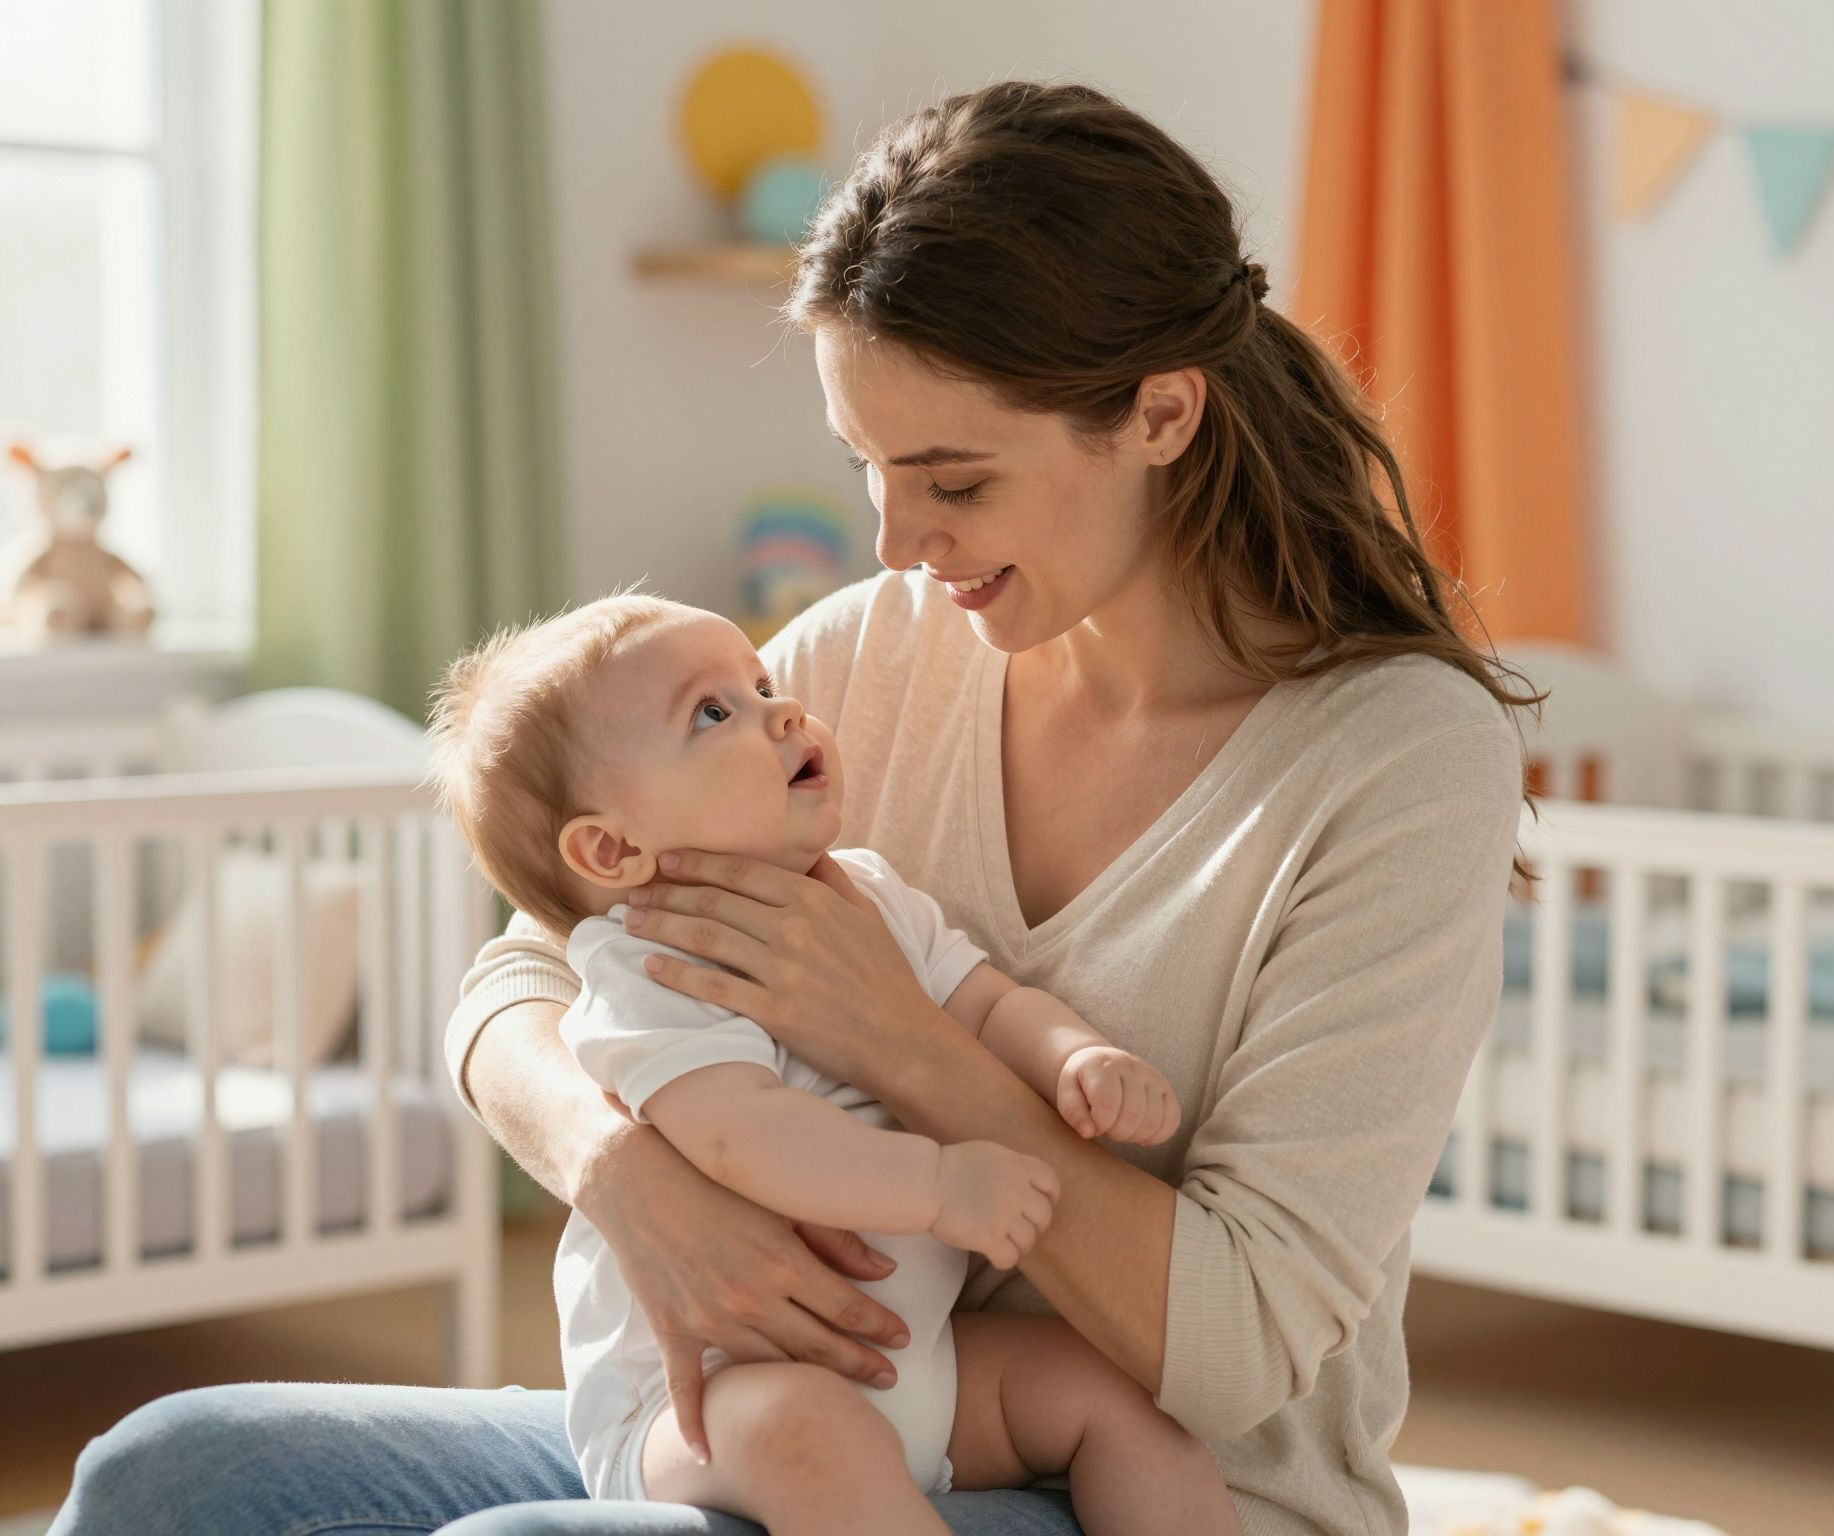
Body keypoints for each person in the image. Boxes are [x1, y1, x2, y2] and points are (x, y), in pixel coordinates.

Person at [52, 79, 1535, 1536]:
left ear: (1159, 414)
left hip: (1133, 1473)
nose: (897, 539)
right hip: (805, 1414)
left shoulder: (1396, 760)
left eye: (952, 476)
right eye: (868, 470)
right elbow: (518, 975)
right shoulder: (868, 652)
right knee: (170, 1471)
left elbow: (1239, 1347)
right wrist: (626, 1176)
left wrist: (898, 1033)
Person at [421, 592, 1234, 1535]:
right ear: (612, 847)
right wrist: (936, 1185)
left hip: (917, 1366)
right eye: (713, 713)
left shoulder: (870, 892)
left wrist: (1074, 1057)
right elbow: (742, 1136)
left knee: (1116, 1401)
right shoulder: (650, 964)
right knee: (808, 1433)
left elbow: (985, 1002)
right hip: (716, 1406)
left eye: (763, 685)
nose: (783, 712)